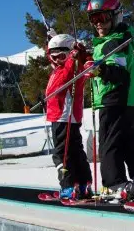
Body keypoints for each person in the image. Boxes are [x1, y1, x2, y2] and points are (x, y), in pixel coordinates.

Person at [84, 0, 134, 201]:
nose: (98, 23)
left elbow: (119, 74)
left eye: (103, 18)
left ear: (115, 17)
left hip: (113, 98)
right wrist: (89, 60)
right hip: (124, 100)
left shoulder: (112, 43)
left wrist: (99, 71)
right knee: (127, 139)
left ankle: (116, 183)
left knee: (109, 142)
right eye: (94, 19)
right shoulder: (115, 40)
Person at [44, 33, 92, 200]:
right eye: (53, 56)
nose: (57, 60)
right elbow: (53, 55)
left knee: (61, 154)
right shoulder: (63, 68)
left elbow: (61, 83)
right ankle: (83, 184)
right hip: (67, 117)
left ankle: (68, 186)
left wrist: (72, 57)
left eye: (61, 56)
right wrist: (52, 38)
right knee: (75, 151)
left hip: (63, 117)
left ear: (70, 54)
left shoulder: (70, 70)